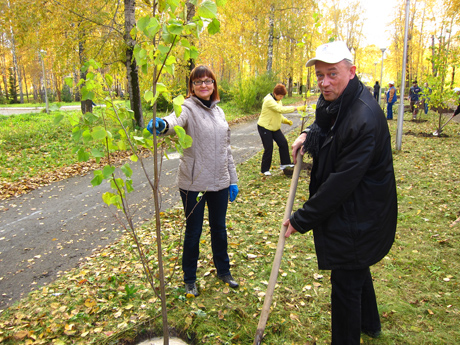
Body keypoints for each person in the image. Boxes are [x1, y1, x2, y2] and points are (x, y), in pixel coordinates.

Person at [283, 41, 397, 344]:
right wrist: (308, 134)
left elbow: (341, 184)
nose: (324, 82)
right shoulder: (337, 100)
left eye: (332, 74)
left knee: (346, 281)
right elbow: (325, 123)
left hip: (363, 212)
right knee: (356, 264)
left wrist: (301, 219)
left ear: (352, 71)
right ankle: (371, 324)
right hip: (357, 211)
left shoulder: (364, 118)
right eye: (320, 75)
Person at [147, 65, 239, 297]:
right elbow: (175, 119)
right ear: (191, 86)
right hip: (194, 184)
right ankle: (190, 278)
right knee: (194, 231)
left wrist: (233, 179)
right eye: (198, 82)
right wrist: (163, 125)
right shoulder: (187, 107)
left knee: (219, 229)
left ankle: (224, 271)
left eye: (208, 81)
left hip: (219, 183)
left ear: (214, 85)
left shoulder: (219, 112)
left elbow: (226, 149)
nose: (204, 85)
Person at [257, 84, 305, 176]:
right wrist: (297, 108)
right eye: (280, 96)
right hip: (264, 127)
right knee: (269, 147)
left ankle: (285, 163)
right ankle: (264, 170)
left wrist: (285, 121)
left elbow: (277, 114)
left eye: (283, 96)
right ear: (275, 93)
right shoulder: (268, 101)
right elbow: (280, 109)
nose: (281, 98)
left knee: (283, 143)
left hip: (274, 127)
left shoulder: (278, 101)